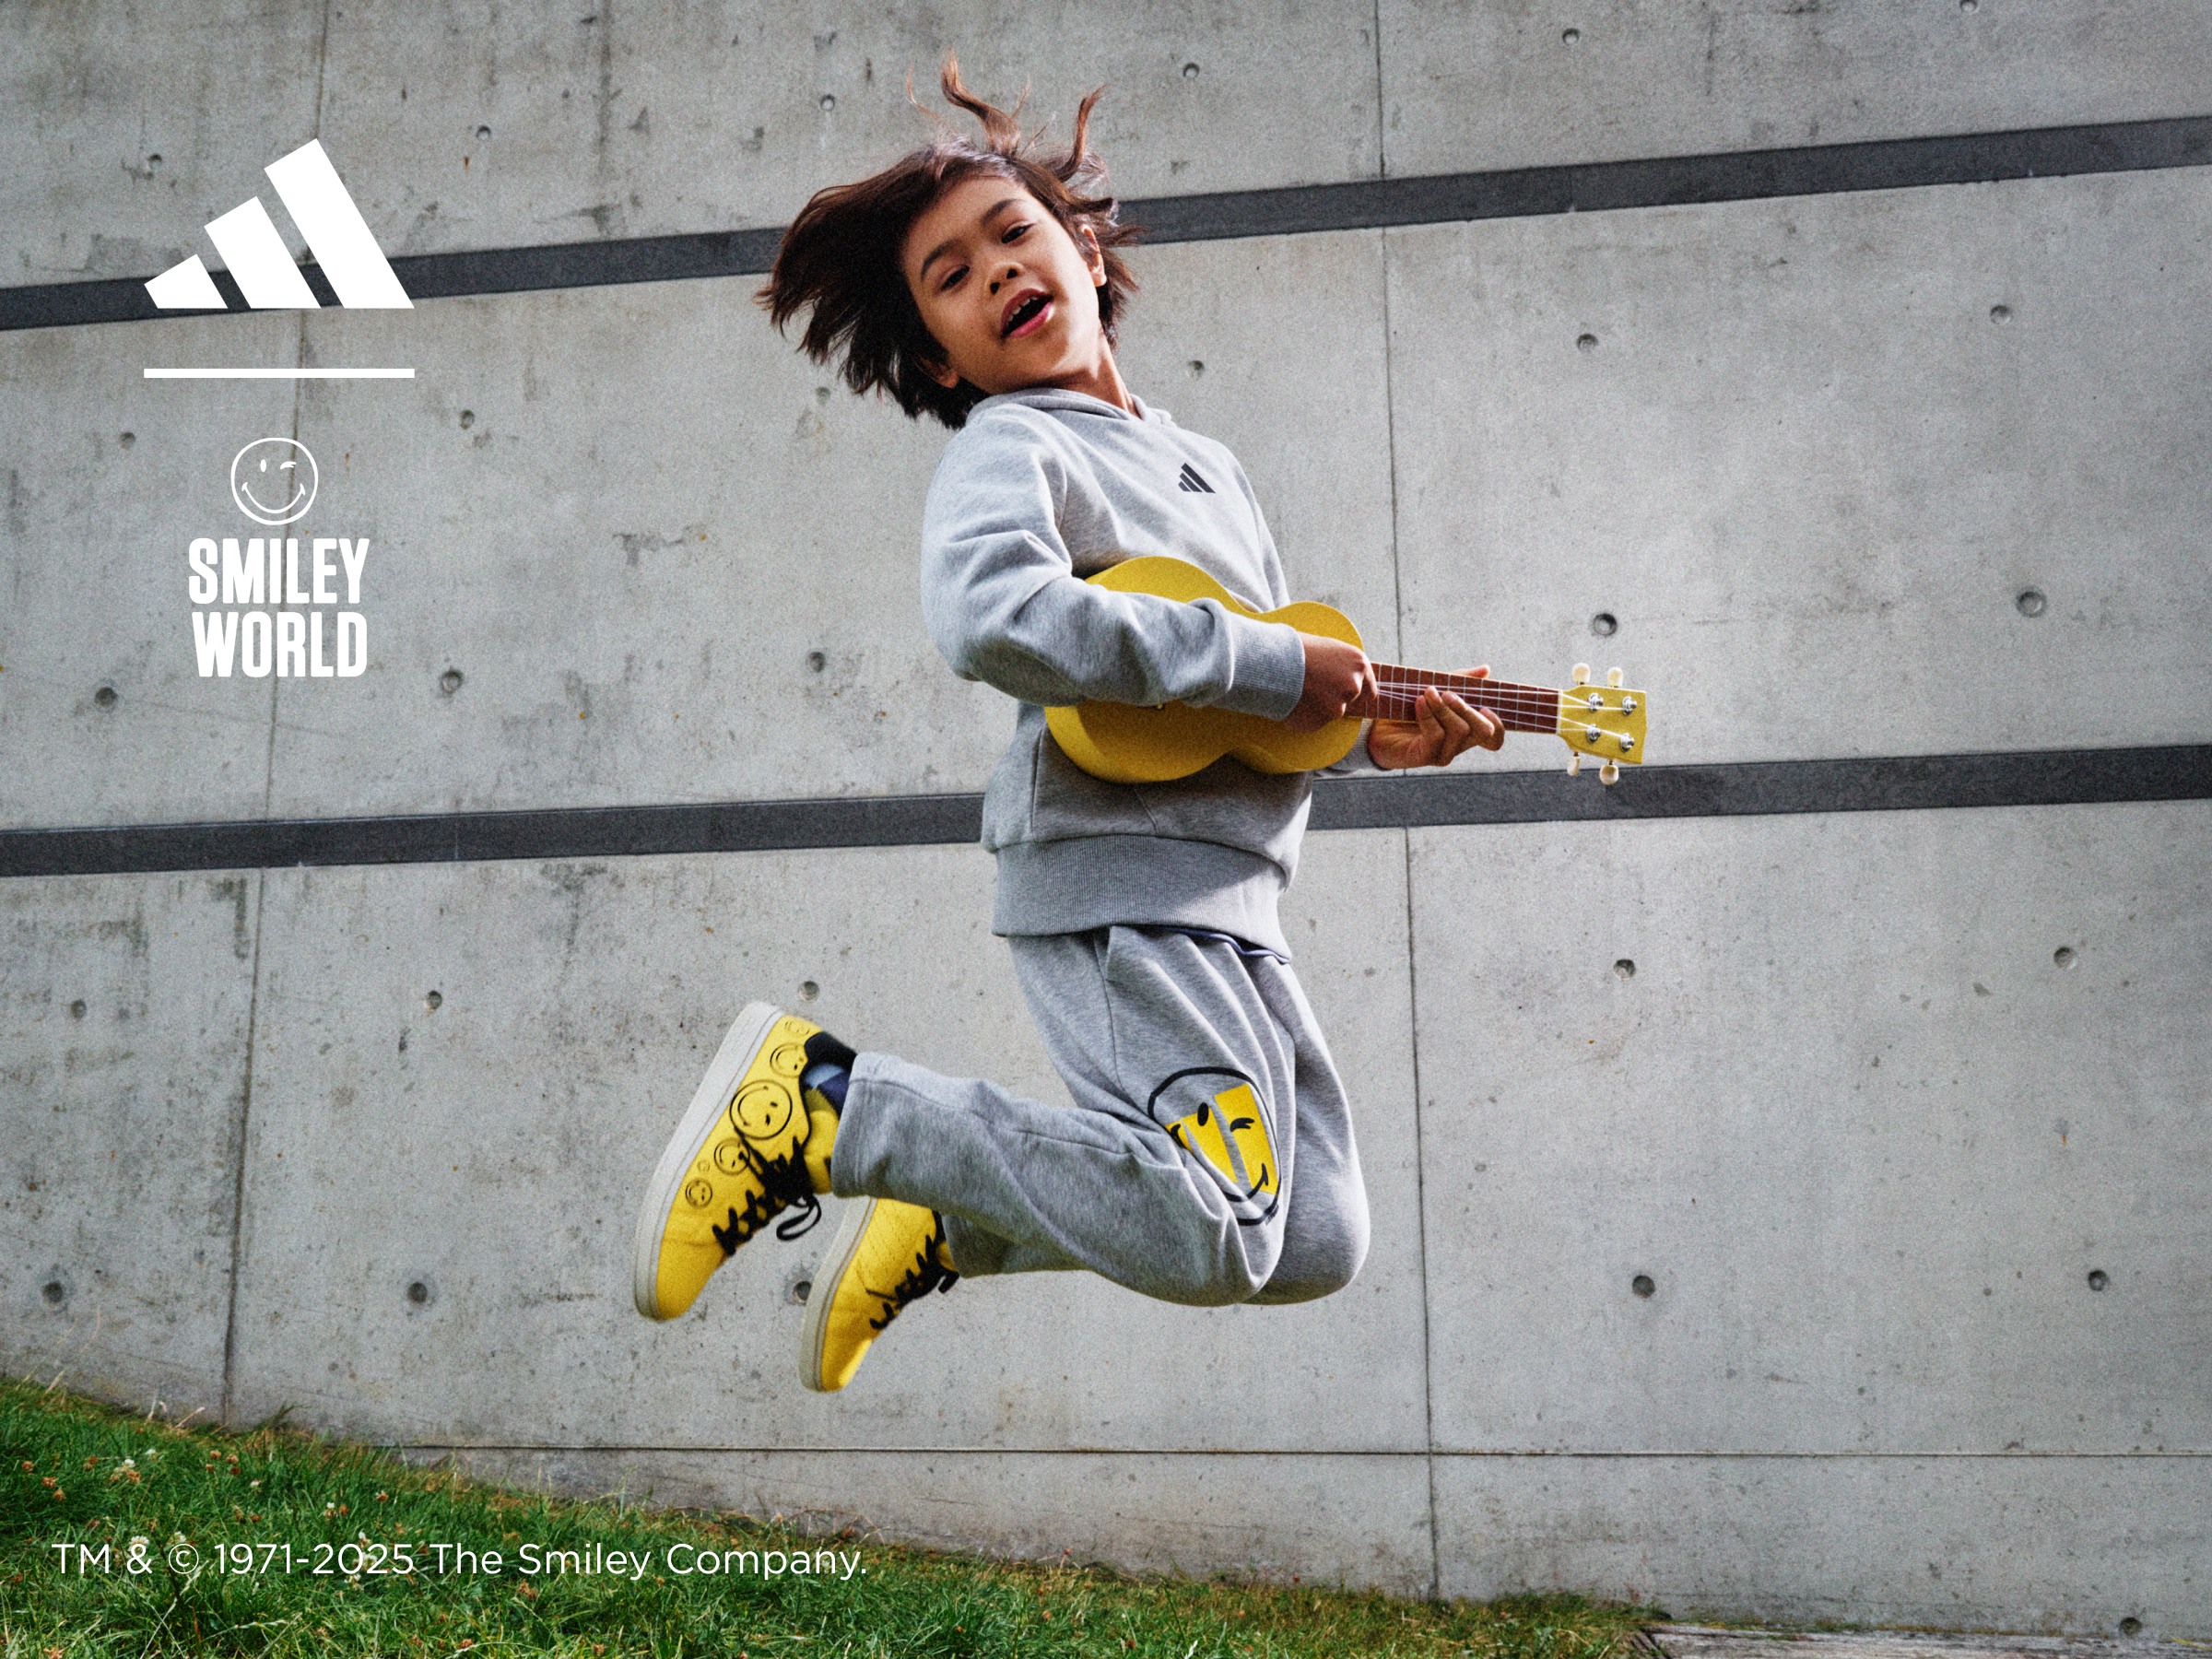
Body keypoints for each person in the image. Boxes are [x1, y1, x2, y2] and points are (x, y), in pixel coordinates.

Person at [630, 59, 1500, 1392]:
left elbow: (1225, 711)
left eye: (1011, 236)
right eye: (951, 278)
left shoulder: (1211, 467)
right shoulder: (1010, 449)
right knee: (1217, 1230)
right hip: (1118, 885)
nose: (994, 274)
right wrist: (1276, 664)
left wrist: (1366, 733)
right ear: (941, 354)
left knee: (1315, 1234)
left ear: (1083, 247)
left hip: (1235, 897)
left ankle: (961, 1214)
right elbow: (995, 616)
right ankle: (823, 1109)